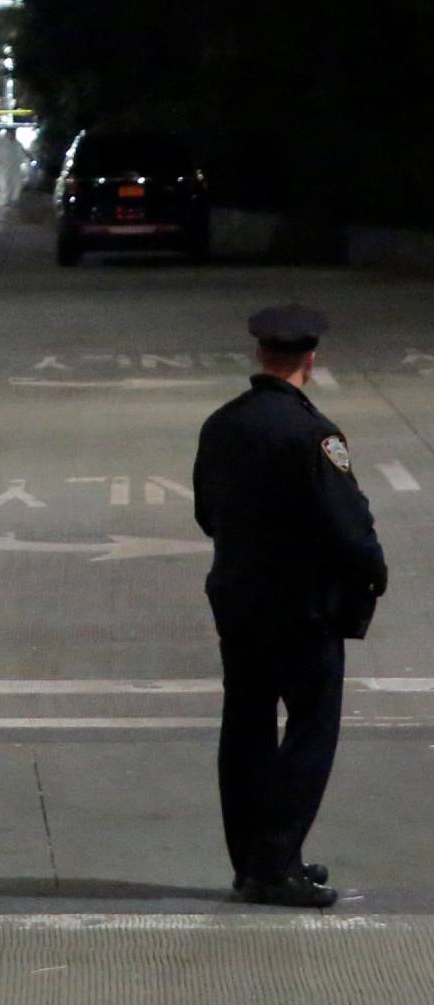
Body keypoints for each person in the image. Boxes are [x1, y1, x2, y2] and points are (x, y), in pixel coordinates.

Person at [192, 306, 386, 909]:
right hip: (302, 604)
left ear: (259, 355)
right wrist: (372, 574)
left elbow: (206, 512)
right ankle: (276, 862)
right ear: (310, 358)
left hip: (238, 595)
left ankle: (252, 860)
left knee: (246, 723)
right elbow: (346, 524)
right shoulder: (314, 434)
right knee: (311, 724)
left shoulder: (223, 423)